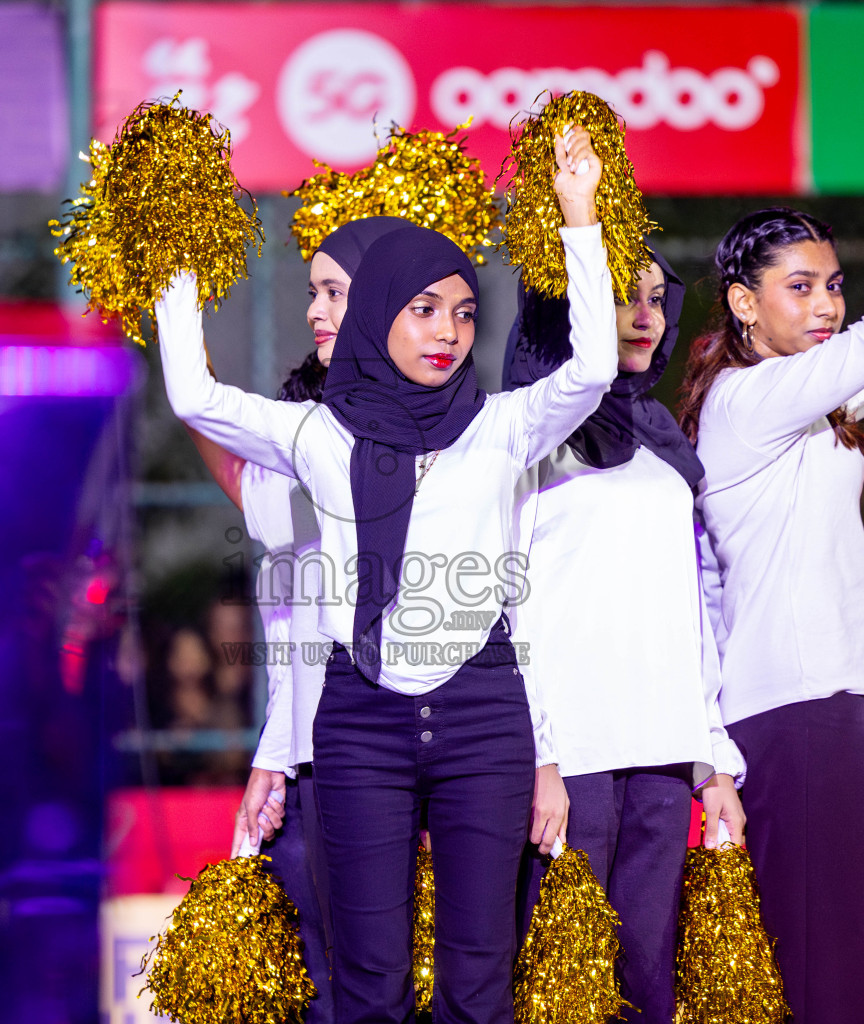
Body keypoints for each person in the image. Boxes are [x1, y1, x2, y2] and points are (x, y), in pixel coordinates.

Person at [158, 127, 614, 1024]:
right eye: (421, 310)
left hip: (486, 715)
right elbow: (192, 397)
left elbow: (594, 365)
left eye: (462, 313)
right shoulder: (319, 434)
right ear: (376, 317)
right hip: (359, 718)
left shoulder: (502, 426)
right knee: (370, 983)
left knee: (479, 980)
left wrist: (579, 218)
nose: (447, 332)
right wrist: (179, 252)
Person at [678, 205, 864, 1024]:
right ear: (743, 303)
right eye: (799, 287)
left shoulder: (796, 405)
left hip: (824, 698)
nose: (827, 305)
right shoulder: (749, 399)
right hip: (793, 704)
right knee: (820, 964)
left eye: (835, 286)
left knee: (834, 953)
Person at [186, 215, 416, 1024]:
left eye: (334, 295)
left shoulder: (439, 451)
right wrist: (169, 285)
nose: (315, 311)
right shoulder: (284, 493)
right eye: (313, 295)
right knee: (324, 985)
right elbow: (201, 411)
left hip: (402, 757)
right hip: (312, 764)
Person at [504, 250, 743, 1021]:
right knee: (563, 987)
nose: (646, 317)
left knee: (647, 979)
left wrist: (714, 762)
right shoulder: (526, 440)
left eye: (656, 299)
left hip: (664, 754)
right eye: (619, 298)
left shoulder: (666, 446)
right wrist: (538, 753)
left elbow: (692, 612)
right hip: (570, 756)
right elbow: (504, 608)